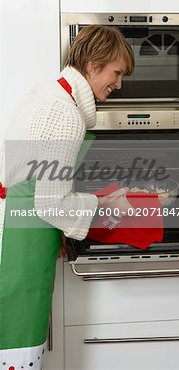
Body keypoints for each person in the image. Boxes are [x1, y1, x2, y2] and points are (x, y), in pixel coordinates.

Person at [0, 25, 135, 369]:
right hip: (23, 246)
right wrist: (102, 204)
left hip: (15, 231)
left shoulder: (44, 94)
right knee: (18, 347)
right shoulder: (64, 113)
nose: (118, 84)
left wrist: (58, 228)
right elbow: (50, 203)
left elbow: (30, 181)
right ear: (93, 64)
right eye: (116, 73)